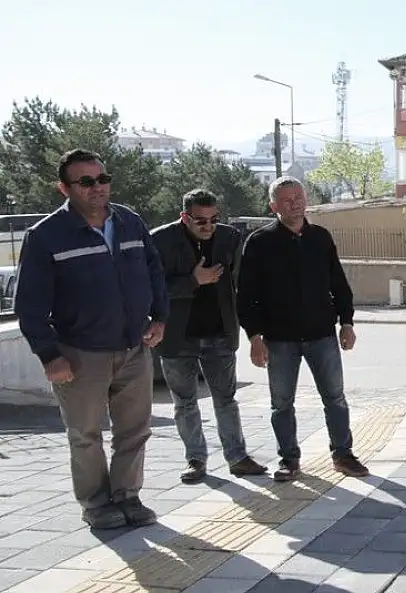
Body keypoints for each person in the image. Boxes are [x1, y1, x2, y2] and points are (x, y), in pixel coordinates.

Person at [14, 148, 170, 529]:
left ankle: (128, 497)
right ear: (64, 188)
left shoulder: (130, 222)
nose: (97, 187)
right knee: (85, 435)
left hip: (134, 347)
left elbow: (154, 272)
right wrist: (49, 354)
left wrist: (161, 317)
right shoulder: (46, 236)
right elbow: (29, 303)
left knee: (135, 430)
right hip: (80, 354)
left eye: (102, 178)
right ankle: (97, 504)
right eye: (85, 181)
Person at [237, 176, 368, 482]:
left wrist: (346, 322)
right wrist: (254, 337)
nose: (295, 203)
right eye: (287, 199)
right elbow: (246, 295)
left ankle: (343, 454)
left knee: (335, 397)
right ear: (274, 206)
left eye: (299, 197)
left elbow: (339, 284)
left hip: (322, 335)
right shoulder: (259, 242)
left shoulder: (320, 238)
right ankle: (289, 459)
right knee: (281, 403)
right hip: (279, 339)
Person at [150, 189, 268, 484]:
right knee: (185, 402)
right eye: (200, 221)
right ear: (184, 217)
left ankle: (237, 457)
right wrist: (193, 281)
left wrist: (254, 333)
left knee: (226, 400)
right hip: (178, 337)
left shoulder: (229, 238)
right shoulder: (160, 241)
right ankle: (196, 460)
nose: (208, 227)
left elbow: (243, 286)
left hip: (219, 335)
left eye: (214, 219)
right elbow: (151, 291)